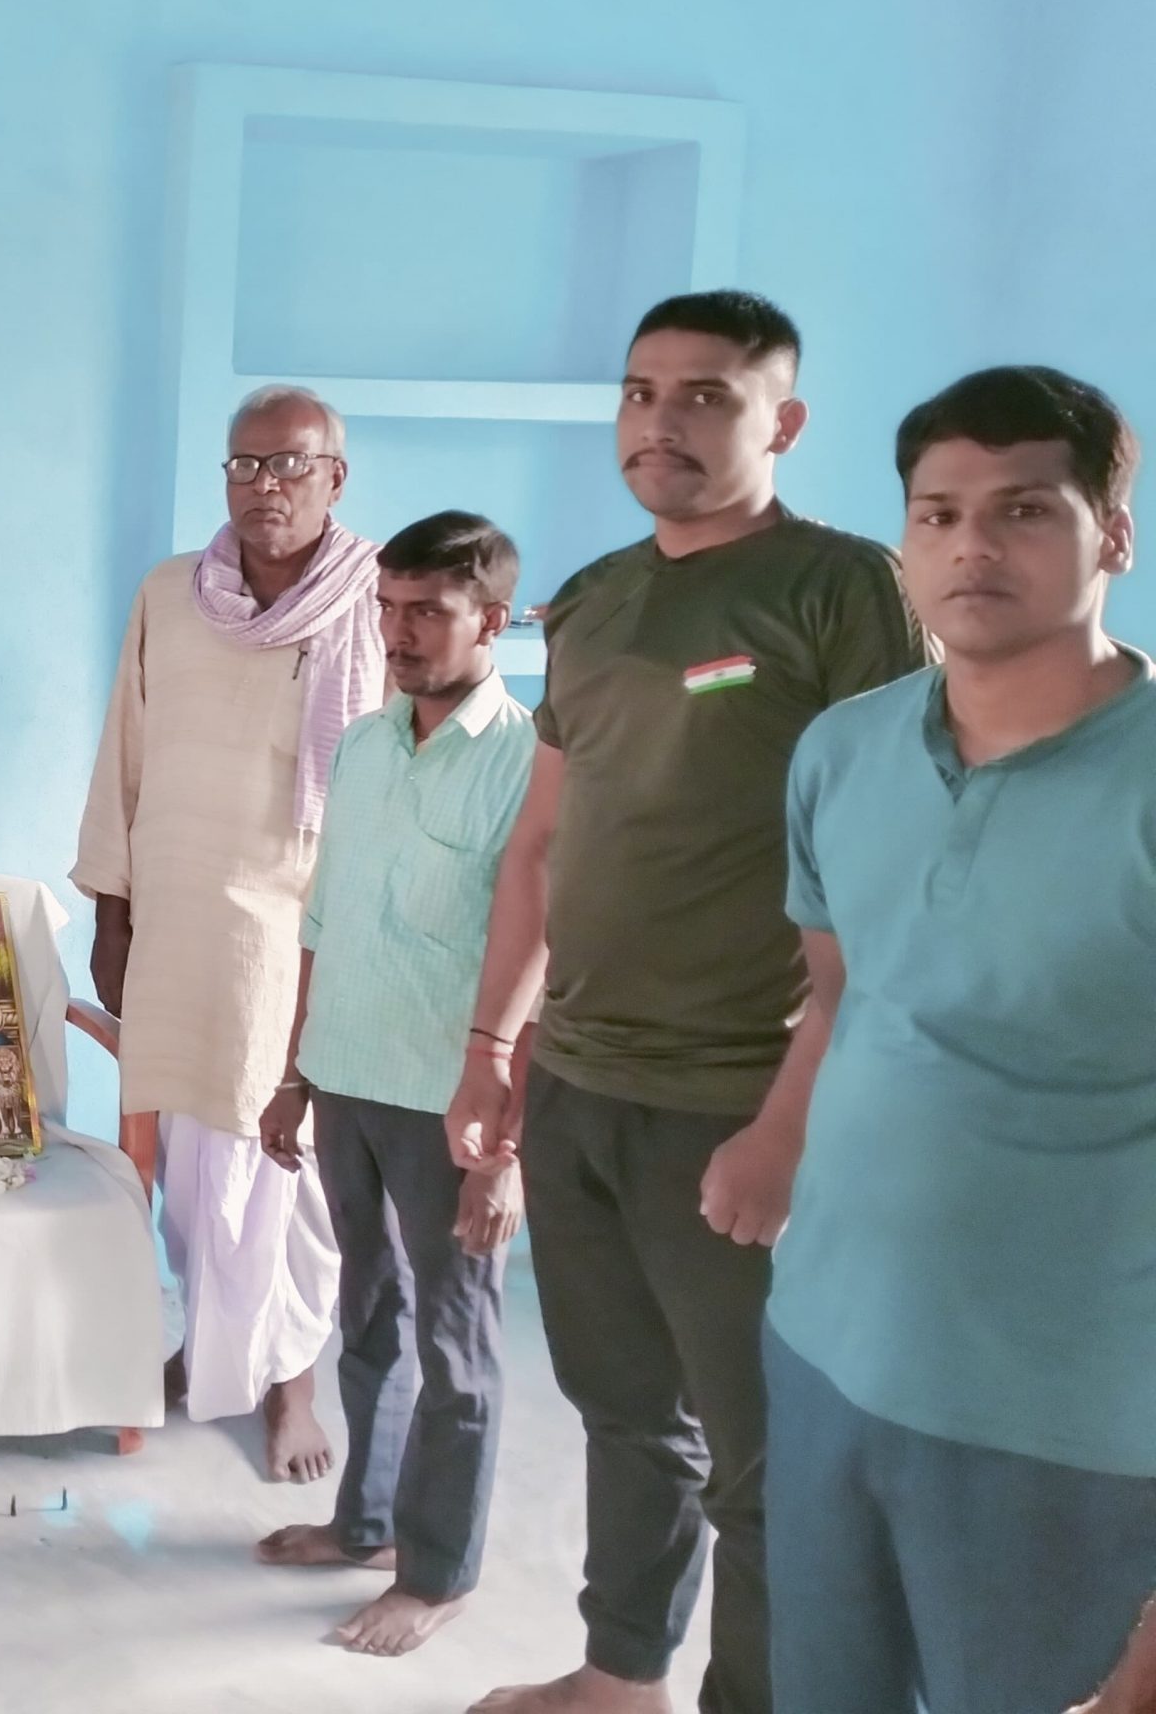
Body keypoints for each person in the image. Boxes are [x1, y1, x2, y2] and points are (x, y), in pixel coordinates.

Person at [445, 291, 929, 1714]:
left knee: (767, 1465)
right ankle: (622, 1679)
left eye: (706, 395)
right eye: (640, 391)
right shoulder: (596, 598)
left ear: (783, 421)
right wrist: (493, 1043)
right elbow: (542, 843)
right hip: (580, 1084)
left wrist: (792, 1118)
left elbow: (894, 866)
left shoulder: (840, 588)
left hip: (737, 1097)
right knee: (622, 1415)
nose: (661, 421)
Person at [764, 368, 1154, 1714]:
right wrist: (771, 1142)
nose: (972, 545)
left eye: (1023, 509)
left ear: (1113, 534)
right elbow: (843, 993)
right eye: (937, 514)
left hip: (1068, 1425)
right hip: (824, 1353)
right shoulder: (841, 752)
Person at [73, 383, 383, 1482]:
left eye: (291, 465)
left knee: (278, 1154)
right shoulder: (171, 593)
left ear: (335, 478)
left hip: (300, 924)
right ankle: (209, 1346)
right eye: (244, 465)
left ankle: (291, 1382)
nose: (265, 486)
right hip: (176, 911)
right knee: (191, 1154)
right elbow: (124, 751)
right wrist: (109, 910)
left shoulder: (372, 601)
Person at [252, 511, 536, 1659]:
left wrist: (507, 1147)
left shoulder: (528, 762)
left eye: (427, 610)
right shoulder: (366, 745)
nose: (398, 631)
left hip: (450, 1102)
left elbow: (547, 957)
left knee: (456, 1345)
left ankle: (437, 1572)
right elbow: (320, 922)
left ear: (491, 619)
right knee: (367, 1318)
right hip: (348, 1077)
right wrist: (293, 1073)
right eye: (386, 607)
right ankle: (364, 1521)